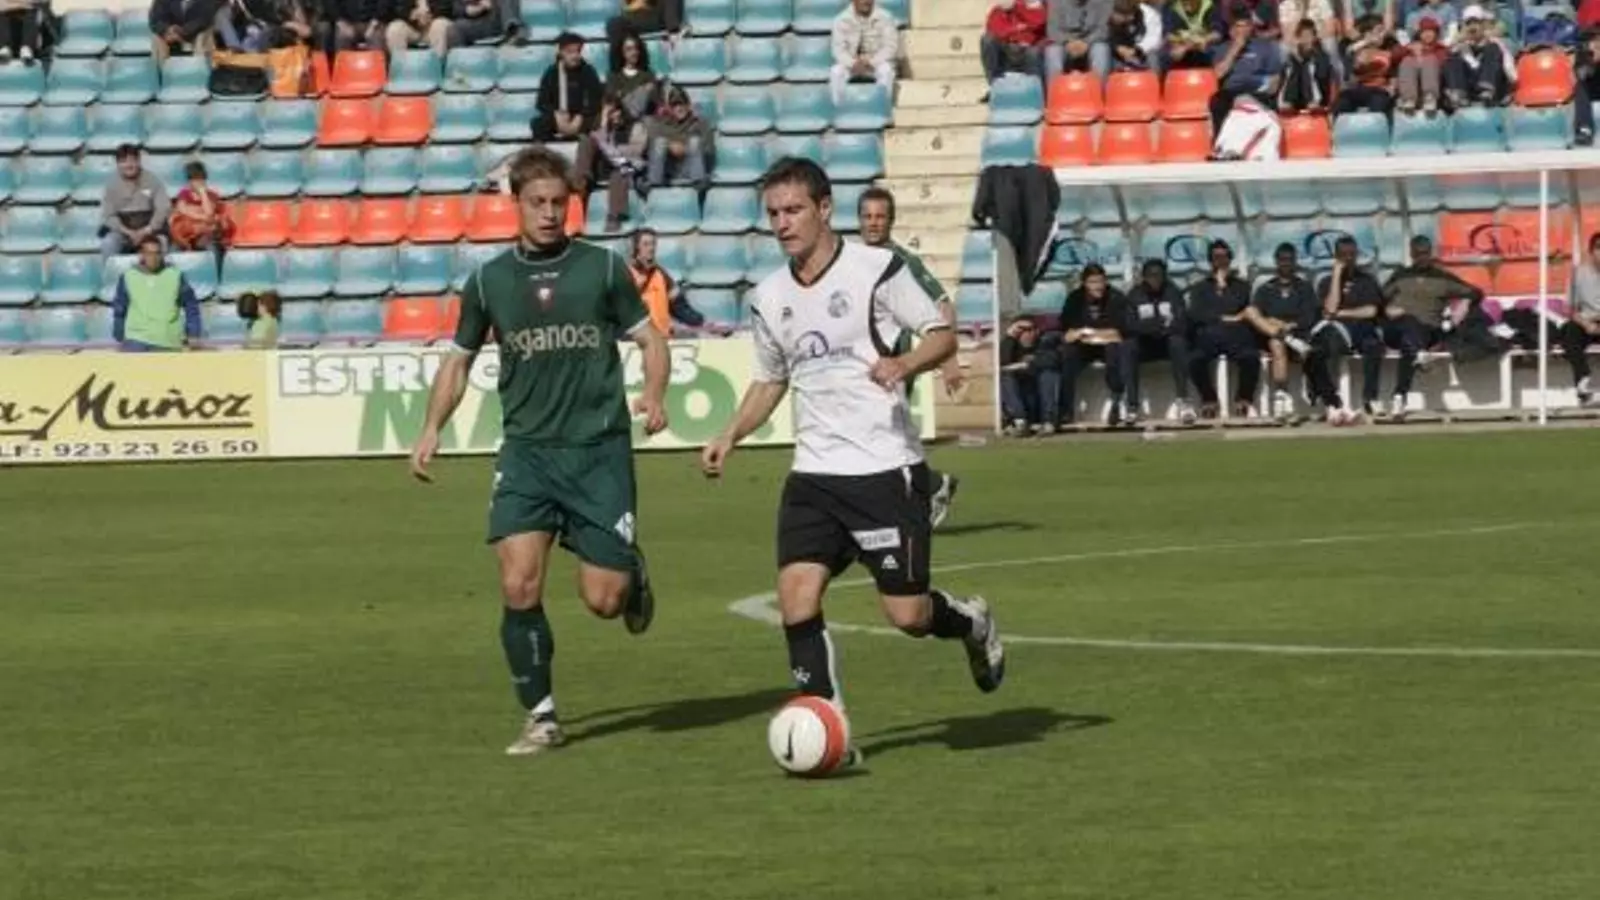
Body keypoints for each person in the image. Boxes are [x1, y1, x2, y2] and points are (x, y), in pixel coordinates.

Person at [700, 157, 1005, 771]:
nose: (782, 224)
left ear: (823, 208)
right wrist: (730, 433)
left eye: (793, 210)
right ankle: (830, 728)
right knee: (796, 596)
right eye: (773, 214)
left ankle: (972, 623)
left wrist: (905, 363)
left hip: (884, 470)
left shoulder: (876, 270)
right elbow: (770, 379)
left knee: (908, 615)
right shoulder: (769, 296)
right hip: (814, 475)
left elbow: (942, 333)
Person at [408, 146, 672, 757]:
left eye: (559, 202)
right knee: (518, 584)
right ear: (517, 204)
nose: (550, 213)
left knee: (603, 601)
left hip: (598, 452)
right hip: (527, 453)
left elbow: (652, 340)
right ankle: (542, 716)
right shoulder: (489, 281)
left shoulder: (602, 268)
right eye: (538, 203)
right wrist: (431, 428)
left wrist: (654, 394)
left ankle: (630, 574)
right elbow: (458, 361)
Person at [857, 187, 962, 528]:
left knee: (876, 435)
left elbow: (942, 304)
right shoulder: (850, 259)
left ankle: (920, 491)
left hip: (896, 363)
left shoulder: (903, 261)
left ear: (891, 221)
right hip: (862, 363)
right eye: (868, 216)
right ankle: (928, 488)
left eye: (880, 216)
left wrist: (948, 359)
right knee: (880, 438)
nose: (874, 223)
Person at [1378, 235, 1489, 420]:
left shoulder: (1442, 277)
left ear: (1430, 253)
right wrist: (1387, 309)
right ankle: (1419, 355)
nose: (1422, 257)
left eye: (1425, 253)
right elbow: (1378, 299)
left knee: (1409, 346)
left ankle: (1399, 397)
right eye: (1418, 254)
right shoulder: (1401, 276)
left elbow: (1476, 293)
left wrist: (1464, 305)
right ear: (1411, 254)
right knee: (1408, 323)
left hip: (1428, 332)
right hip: (1396, 329)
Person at [1312, 235, 1386, 420]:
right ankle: (1332, 403)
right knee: (1325, 348)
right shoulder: (1326, 282)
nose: (1348, 258)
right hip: (1338, 331)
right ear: (1336, 257)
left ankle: (1371, 399)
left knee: (1374, 346)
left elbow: (1370, 311)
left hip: (1363, 330)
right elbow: (1329, 309)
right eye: (1344, 255)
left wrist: (1340, 313)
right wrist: (1337, 275)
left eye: (1352, 254)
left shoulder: (1367, 280)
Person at [1186, 240, 1261, 419]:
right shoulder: (1199, 288)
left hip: (1236, 336)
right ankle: (1209, 400)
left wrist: (1222, 288)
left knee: (1251, 357)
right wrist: (1224, 317)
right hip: (1209, 335)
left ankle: (1243, 400)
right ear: (1210, 261)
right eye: (1216, 257)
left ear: (1230, 259)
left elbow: (1237, 307)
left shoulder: (1241, 286)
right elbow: (1197, 314)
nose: (1220, 261)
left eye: (1224, 257)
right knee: (1195, 359)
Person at [1246, 243, 1318, 421]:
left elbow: (1310, 316)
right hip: (1273, 337)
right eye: (1282, 259)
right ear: (1276, 262)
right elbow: (1259, 317)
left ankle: (1281, 396)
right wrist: (1276, 324)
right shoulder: (1266, 289)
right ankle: (1281, 395)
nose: (1286, 263)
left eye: (1289, 259)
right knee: (1252, 313)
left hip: (1299, 335)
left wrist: (1289, 325)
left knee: (1276, 341)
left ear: (1295, 261)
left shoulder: (1304, 287)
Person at [1121, 258, 1195, 423]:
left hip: (1167, 343)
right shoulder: (1135, 295)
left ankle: (1184, 402)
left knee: (1178, 343)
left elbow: (1181, 323)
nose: (1155, 280)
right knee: (1128, 347)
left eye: (1159, 275)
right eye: (1151, 276)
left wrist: (1155, 327)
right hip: (1144, 344)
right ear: (1144, 277)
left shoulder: (1173, 293)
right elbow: (1129, 326)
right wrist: (1157, 325)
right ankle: (1132, 405)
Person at [1058, 264, 1129, 426]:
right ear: (1084, 283)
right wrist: (1085, 334)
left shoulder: (1116, 297)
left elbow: (1118, 334)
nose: (1098, 286)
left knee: (1115, 353)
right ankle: (1066, 410)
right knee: (1067, 356)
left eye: (1101, 281)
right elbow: (1068, 334)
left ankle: (1116, 405)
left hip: (1108, 347)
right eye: (1093, 282)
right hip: (1083, 347)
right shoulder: (1075, 299)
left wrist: (1088, 333)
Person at [112, 235, 202, 353]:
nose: (153, 258)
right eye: (149, 253)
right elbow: (120, 308)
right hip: (136, 340)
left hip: (168, 339)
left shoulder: (175, 275)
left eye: (157, 253)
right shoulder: (128, 277)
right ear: (142, 255)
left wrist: (193, 333)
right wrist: (119, 335)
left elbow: (191, 305)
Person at [574, 92, 647, 232]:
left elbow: (635, 151)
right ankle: (581, 181)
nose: (614, 115)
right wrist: (603, 126)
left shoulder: (635, 126)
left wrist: (610, 146)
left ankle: (615, 216)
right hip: (604, 166)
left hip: (628, 166)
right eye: (609, 113)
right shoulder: (601, 129)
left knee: (619, 173)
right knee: (586, 141)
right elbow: (598, 143)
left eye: (616, 110)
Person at [1210, 14, 1284, 131]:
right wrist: (1235, 48)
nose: (1243, 30)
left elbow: (1274, 82)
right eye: (1239, 26)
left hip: (1257, 93)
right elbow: (1218, 74)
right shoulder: (1221, 49)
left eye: (1246, 26)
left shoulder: (1266, 47)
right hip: (1230, 94)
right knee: (1217, 102)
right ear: (1231, 30)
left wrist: (1252, 86)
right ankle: (1221, 139)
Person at [100, 145, 171, 260]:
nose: (129, 165)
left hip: (150, 230)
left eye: (132, 160)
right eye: (123, 161)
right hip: (123, 232)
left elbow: (162, 208)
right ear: (117, 164)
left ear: (139, 161)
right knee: (109, 243)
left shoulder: (153, 180)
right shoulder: (111, 185)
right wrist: (128, 232)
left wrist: (147, 230)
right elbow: (108, 215)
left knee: (162, 242)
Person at [627, 228, 702, 334]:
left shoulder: (660, 273)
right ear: (636, 248)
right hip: (637, 338)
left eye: (653, 244)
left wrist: (699, 321)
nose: (651, 248)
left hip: (662, 336)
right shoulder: (626, 274)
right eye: (646, 244)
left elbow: (679, 306)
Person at [533, 32, 603, 143]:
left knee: (597, 122)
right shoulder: (552, 72)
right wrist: (555, 114)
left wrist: (580, 116)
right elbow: (541, 102)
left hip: (581, 118)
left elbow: (595, 101)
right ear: (561, 52)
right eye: (570, 52)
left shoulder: (588, 71)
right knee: (538, 123)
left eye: (577, 51)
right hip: (559, 117)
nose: (575, 56)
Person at [645, 85, 715, 190]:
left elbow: (709, 150)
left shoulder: (700, 123)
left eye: (682, 104)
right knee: (659, 142)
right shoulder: (661, 125)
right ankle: (653, 183)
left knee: (694, 141)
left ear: (688, 105)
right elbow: (651, 147)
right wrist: (670, 146)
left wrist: (685, 149)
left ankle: (699, 182)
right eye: (674, 105)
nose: (679, 108)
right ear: (669, 108)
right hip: (669, 169)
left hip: (691, 167)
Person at [999, 315, 1060, 433]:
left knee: (1049, 374)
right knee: (1005, 376)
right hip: (1019, 399)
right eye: (1021, 330)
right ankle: (1019, 422)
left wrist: (1026, 365)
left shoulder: (1044, 343)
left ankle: (1049, 422)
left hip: (1038, 398)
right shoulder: (1010, 345)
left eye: (1030, 329)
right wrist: (1010, 338)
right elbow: (1003, 363)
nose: (1027, 334)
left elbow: (1053, 360)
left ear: (1037, 331)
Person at [830, 0, 899, 103]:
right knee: (836, 72)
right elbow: (838, 50)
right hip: (852, 64)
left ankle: (883, 106)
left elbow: (890, 47)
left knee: (886, 70)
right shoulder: (841, 19)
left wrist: (871, 62)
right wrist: (853, 63)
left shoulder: (886, 17)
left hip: (875, 63)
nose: (866, 2)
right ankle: (839, 107)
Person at [1559, 232, 1600, 405]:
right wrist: (1585, 323)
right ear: (1591, 252)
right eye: (1599, 248)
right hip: (1586, 321)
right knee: (1569, 332)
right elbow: (1569, 308)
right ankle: (1583, 383)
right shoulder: (1578, 274)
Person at [169, 161, 236, 262]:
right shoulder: (184, 195)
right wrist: (202, 216)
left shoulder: (211, 195)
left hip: (206, 235)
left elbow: (209, 212)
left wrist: (203, 193)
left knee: (212, 247)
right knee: (174, 249)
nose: (199, 183)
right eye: (195, 180)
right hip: (188, 234)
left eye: (201, 179)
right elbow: (183, 210)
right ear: (189, 181)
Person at [1444, 5, 1510, 108]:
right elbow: (1444, 49)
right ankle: (1459, 94)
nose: (1472, 27)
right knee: (1453, 56)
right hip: (1470, 87)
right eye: (1469, 24)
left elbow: (1511, 73)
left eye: (1476, 23)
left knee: (1493, 48)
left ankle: (1487, 89)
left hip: (1493, 88)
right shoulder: (1459, 46)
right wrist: (1458, 41)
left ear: (1483, 25)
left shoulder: (1494, 43)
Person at [1335, 14, 1396, 117]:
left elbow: (1393, 72)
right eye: (1378, 31)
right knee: (1342, 103)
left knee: (1378, 102)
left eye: (1383, 31)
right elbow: (1349, 53)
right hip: (1357, 89)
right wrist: (1366, 42)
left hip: (1379, 90)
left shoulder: (1388, 49)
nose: (1382, 35)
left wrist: (1392, 87)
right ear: (1367, 33)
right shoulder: (1357, 50)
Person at [1045, 0, 1113, 84]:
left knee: (1101, 49)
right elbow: (1052, 30)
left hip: (1091, 42)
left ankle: (1098, 89)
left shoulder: (1102, 2)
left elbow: (1103, 29)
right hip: (1065, 42)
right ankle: (1055, 89)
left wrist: (1086, 42)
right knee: (1052, 51)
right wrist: (1067, 42)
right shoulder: (1057, 2)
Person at [981, 0, 1049, 84]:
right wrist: (1017, 29)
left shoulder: (1039, 7)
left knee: (1033, 52)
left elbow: (1038, 22)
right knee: (987, 40)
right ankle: (994, 84)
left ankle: (1035, 86)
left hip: (1029, 48)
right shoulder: (999, 10)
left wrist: (1019, 7)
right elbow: (996, 30)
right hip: (1007, 48)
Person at [1393, 16, 1448, 114]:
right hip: (1412, 86)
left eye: (1430, 31)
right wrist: (1408, 49)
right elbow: (1394, 57)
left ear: (1436, 33)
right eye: (1424, 32)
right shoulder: (1411, 47)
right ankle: (1408, 99)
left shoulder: (1440, 48)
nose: (1427, 34)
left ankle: (1430, 98)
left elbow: (1443, 62)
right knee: (1407, 60)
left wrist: (1424, 54)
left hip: (1434, 84)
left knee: (1430, 59)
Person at [1278, 18, 1335, 113]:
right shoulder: (1292, 56)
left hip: (1316, 94)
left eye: (1309, 35)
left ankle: (1311, 102)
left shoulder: (1322, 56)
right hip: (1296, 94)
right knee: (1291, 67)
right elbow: (1285, 77)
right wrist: (1297, 60)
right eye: (1303, 36)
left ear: (1314, 37)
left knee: (1308, 67)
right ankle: (1288, 102)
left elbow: (1322, 76)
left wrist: (1306, 61)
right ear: (1298, 38)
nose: (1306, 39)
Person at [606, 30, 661, 119]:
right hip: (620, 119)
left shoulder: (648, 74)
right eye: (629, 49)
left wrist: (623, 93)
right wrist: (642, 90)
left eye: (636, 48)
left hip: (643, 120)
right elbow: (611, 98)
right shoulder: (614, 75)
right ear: (621, 52)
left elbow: (654, 100)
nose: (634, 52)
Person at [149, 0, 219, 63]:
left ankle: (200, 69)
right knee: (158, 38)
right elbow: (156, 19)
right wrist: (167, 30)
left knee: (204, 36)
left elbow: (203, 20)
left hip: (195, 32)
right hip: (171, 34)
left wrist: (182, 31)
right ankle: (161, 70)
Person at [1107, 0, 1163, 74]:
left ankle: (1154, 80)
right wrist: (1117, 47)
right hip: (1116, 54)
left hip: (1140, 53)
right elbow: (1103, 36)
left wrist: (1136, 50)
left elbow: (1153, 39)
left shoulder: (1148, 15)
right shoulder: (1106, 13)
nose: (1131, 18)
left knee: (1153, 57)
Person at [1163, 0, 1222, 68]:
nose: (1187, 3)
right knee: (1166, 54)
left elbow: (1217, 34)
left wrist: (1188, 47)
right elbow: (1169, 34)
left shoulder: (1210, 6)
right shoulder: (1173, 7)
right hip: (1182, 46)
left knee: (1217, 52)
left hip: (1205, 47)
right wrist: (1176, 45)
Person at [386, 0, 454, 56]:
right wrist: (410, 13)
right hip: (411, 26)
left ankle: (438, 65)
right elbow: (395, 7)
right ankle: (401, 66)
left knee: (440, 26)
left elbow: (448, 6)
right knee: (395, 29)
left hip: (434, 22)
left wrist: (430, 12)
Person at [605, 0, 683, 47]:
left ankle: (673, 31)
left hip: (658, 17)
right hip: (635, 18)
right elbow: (627, 7)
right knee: (614, 24)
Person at [327, 0, 393, 51]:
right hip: (347, 22)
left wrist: (374, 24)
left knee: (376, 36)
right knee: (343, 36)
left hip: (373, 21)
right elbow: (331, 3)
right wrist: (341, 22)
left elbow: (384, 4)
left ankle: (377, 64)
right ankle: (343, 64)